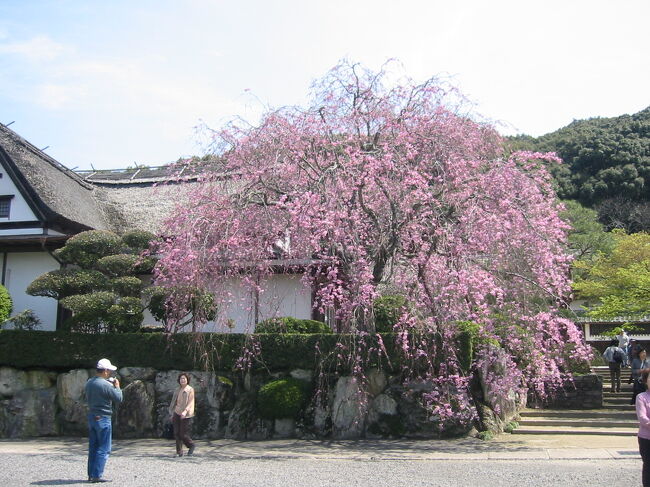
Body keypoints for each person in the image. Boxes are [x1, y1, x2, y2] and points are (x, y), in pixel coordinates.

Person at [85, 358, 123, 483]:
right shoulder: (105, 384)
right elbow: (118, 398)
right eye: (110, 371)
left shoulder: (89, 382)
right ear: (105, 371)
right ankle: (97, 475)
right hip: (103, 417)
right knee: (104, 447)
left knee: (93, 446)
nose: (111, 373)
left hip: (92, 416)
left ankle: (91, 474)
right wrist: (117, 387)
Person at [169, 372, 196, 457]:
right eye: (181, 379)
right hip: (177, 411)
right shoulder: (177, 389)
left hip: (186, 413)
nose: (182, 380)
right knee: (176, 433)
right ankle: (179, 452)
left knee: (182, 434)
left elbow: (191, 402)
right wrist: (172, 413)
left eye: (184, 378)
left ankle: (191, 445)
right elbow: (173, 402)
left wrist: (185, 411)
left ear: (187, 380)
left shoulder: (190, 389)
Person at [636, 369, 650, 486]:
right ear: (646, 380)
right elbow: (642, 417)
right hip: (646, 438)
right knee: (648, 466)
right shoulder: (642, 397)